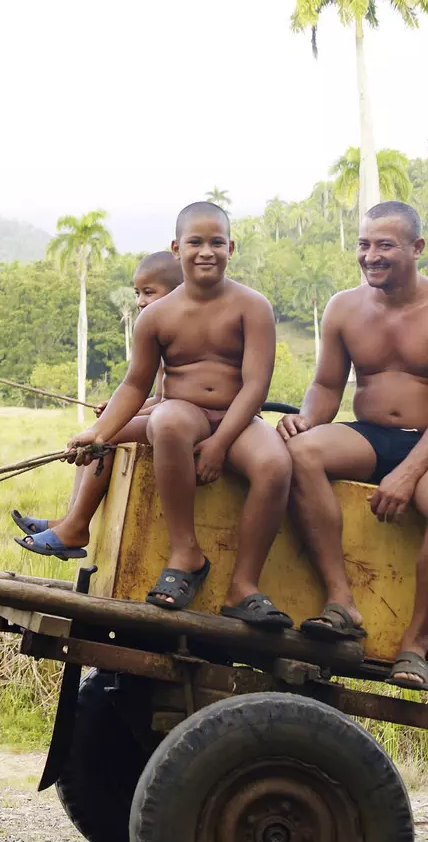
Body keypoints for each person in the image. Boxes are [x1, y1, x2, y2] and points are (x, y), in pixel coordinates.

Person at [278, 200, 428, 689]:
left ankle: (414, 645)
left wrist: (410, 472)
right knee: (299, 452)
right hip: (368, 434)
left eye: (385, 245)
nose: (372, 256)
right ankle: (340, 601)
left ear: (417, 248)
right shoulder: (344, 307)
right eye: (364, 245)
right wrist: (307, 419)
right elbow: (328, 385)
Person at [67, 203, 294, 625]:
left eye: (216, 243)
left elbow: (256, 386)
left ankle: (244, 585)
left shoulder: (253, 306)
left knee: (275, 464)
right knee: (166, 421)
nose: (206, 251)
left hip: (237, 416)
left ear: (231, 248)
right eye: (195, 242)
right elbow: (135, 385)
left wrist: (219, 444)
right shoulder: (156, 315)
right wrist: (99, 431)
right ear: (176, 248)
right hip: (184, 410)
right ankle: (185, 553)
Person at [11, 251, 182, 555]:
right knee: (97, 430)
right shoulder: (158, 332)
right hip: (169, 415)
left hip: (183, 424)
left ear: (177, 292)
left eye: (149, 292)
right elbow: (159, 397)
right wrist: (117, 412)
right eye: (138, 293)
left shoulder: (182, 331)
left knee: (106, 436)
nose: (141, 301)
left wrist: (117, 421)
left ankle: (76, 526)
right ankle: (70, 518)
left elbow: (177, 402)